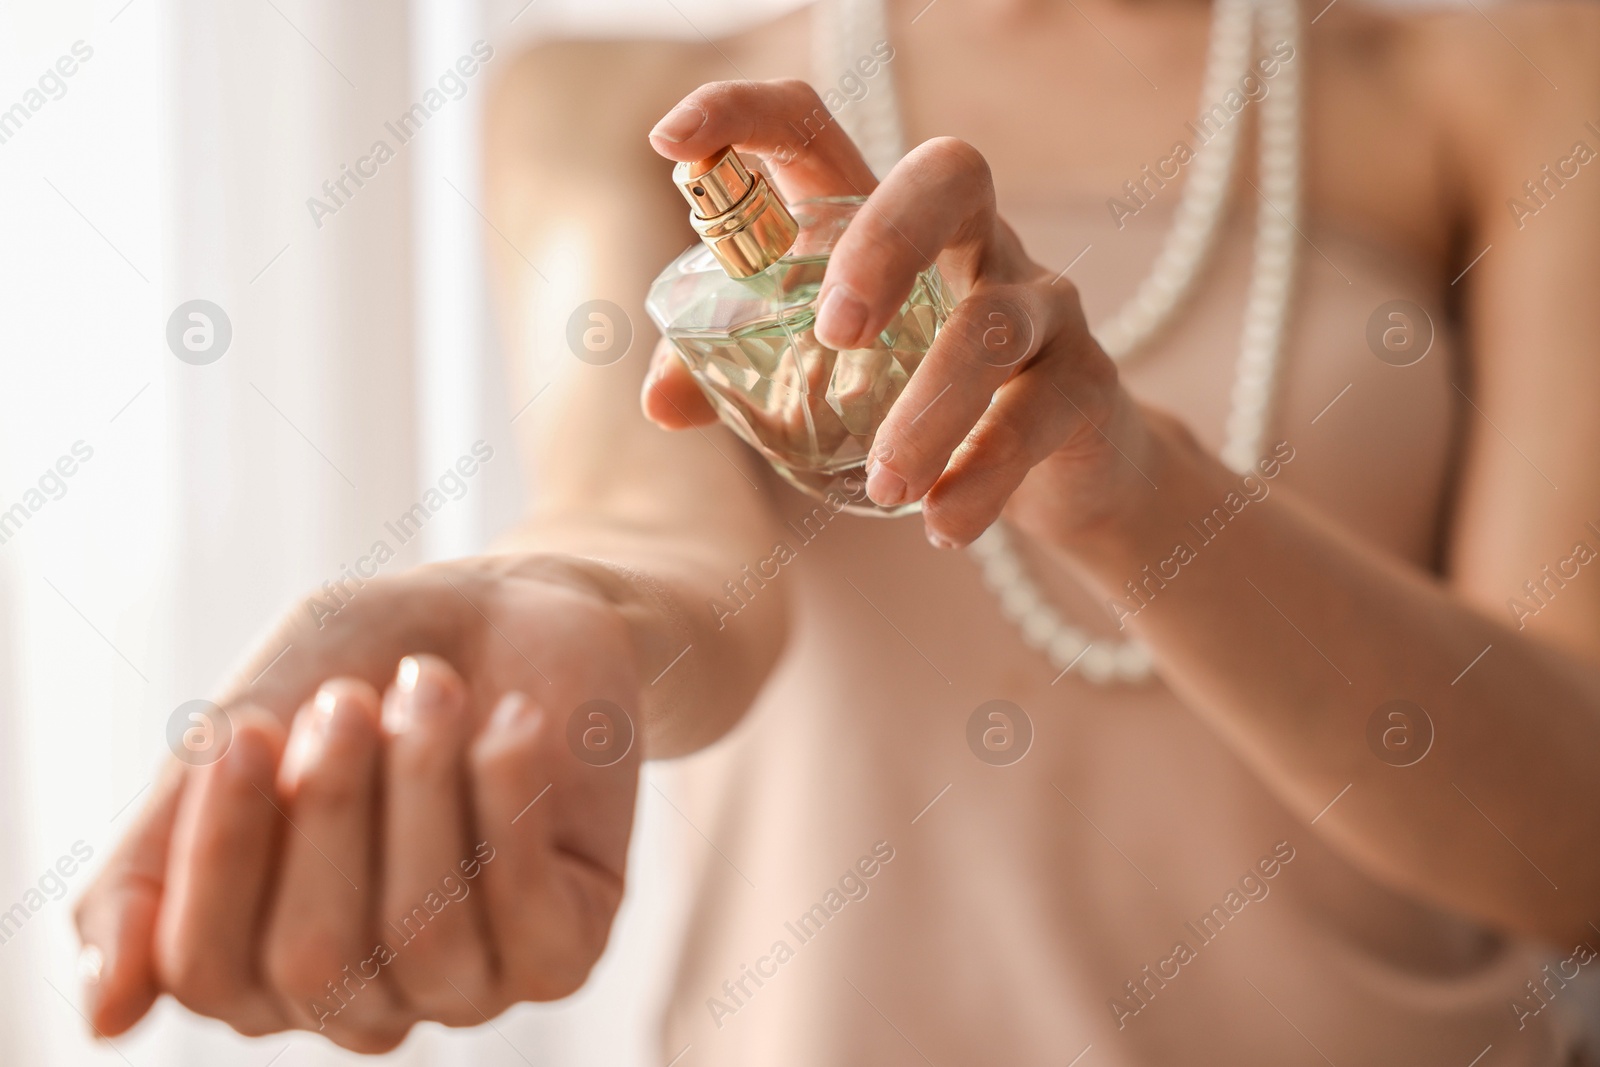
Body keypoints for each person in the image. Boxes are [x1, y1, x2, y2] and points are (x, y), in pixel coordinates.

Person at [74, 0, 1600, 1061]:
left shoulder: (1511, 80)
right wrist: (537, 606)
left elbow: (1574, 825)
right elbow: (655, 534)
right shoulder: (609, 107)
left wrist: (1132, 490)